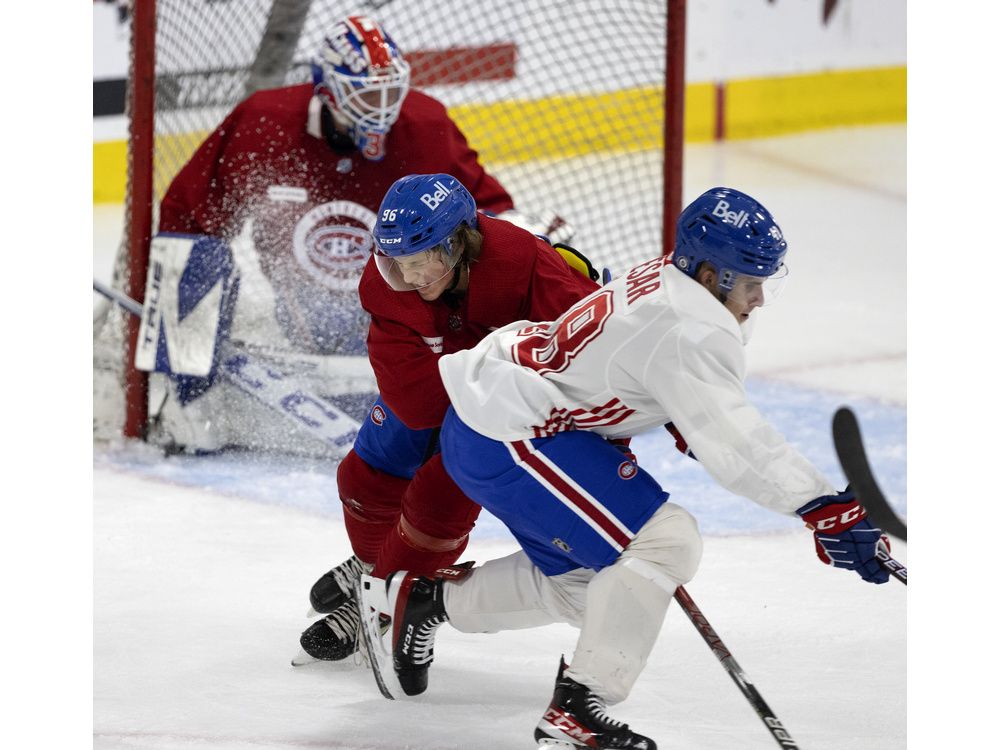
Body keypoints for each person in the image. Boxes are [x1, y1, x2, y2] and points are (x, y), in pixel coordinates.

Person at [358, 187, 891, 749]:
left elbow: (653, 380)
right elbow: (735, 443)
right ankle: (578, 711)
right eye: (751, 282)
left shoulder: (676, 285)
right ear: (711, 275)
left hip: (505, 418)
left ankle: (424, 601)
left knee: (595, 590)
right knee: (667, 541)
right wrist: (824, 507)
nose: (759, 299)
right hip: (507, 428)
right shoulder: (690, 326)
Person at [154, 15, 568, 451]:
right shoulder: (264, 121)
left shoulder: (425, 125)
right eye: (368, 93)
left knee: (507, 255)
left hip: (409, 319)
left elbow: (488, 212)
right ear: (328, 90)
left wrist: (527, 236)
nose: (384, 107)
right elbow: (186, 216)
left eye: (391, 91)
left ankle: (540, 376)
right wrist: (187, 336)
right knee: (189, 253)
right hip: (304, 320)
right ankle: (188, 402)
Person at [295, 173, 600, 663]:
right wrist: (472, 386)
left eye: (420, 264)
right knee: (363, 476)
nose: (409, 279)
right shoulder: (385, 285)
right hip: (438, 388)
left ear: (460, 244)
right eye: (397, 265)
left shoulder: (524, 264)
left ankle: (381, 605)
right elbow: (412, 401)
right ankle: (373, 569)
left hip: (511, 407)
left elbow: (594, 352)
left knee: (439, 504)